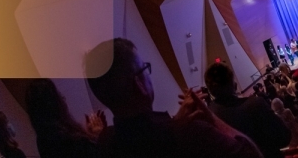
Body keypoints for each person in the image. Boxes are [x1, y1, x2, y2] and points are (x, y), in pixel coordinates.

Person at [84, 38, 262, 158]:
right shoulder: (190, 132)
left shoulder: (105, 142)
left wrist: (175, 122)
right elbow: (252, 153)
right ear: (138, 82)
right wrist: (209, 116)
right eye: (144, 68)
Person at [203, 62, 290, 158]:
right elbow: (284, 138)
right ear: (234, 85)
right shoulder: (256, 104)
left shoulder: (207, 118)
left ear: (210, 91)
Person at [25, 79, 103, 158]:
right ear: (53, 104)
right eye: (57, 94)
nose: (63, 98)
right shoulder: (71, 141)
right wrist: (101, 135)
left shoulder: (42, 141)